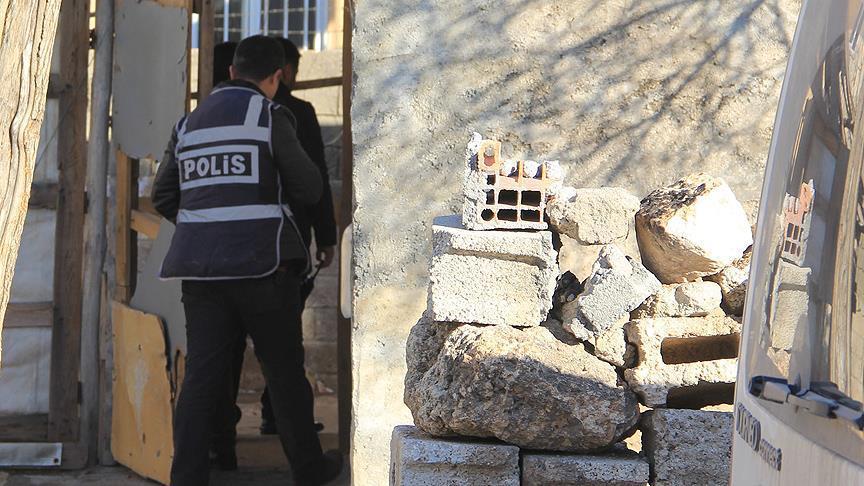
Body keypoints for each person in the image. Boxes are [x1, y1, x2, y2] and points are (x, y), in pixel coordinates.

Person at [151, 35, 342, 486]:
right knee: (284, 374)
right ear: (276, 77)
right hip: (264, 270)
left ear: (232, 72)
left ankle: (188, 477)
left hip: (201, 274)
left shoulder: (188, 125)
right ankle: (309, 472)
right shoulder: (269, 116)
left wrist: (206, 224)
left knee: (202, 379)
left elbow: (163, 196)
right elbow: (309, 187)